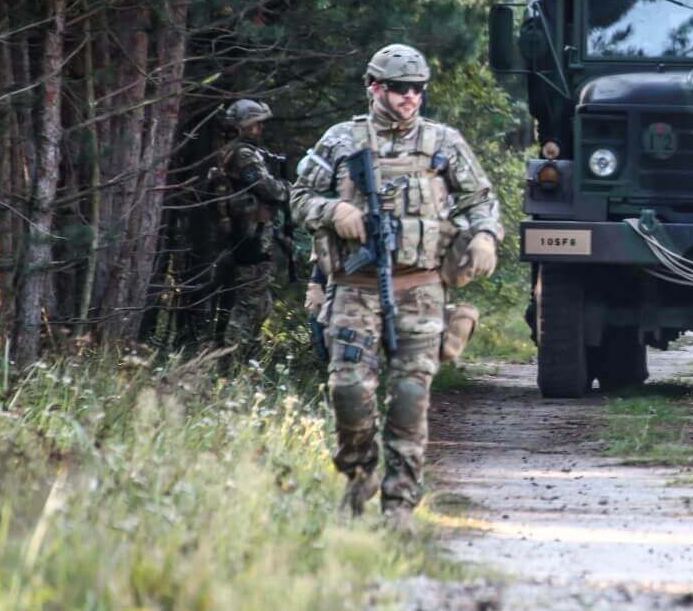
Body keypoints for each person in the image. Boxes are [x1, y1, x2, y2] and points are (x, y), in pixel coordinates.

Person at [291, 44, 503, 521]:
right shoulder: (341, 140)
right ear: (375, 88)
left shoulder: (444, 143)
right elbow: (299, 197)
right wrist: (334, 210)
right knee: (348, 390)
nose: (410, 96)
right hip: (354, 287)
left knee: (410, 397)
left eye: (418, 88)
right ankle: (358, 470)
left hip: (421, 288)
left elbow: (481, 201)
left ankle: (400, 506)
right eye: (399, 87)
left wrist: (485, 236)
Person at [211, 98, 290, 349]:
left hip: (250, 233)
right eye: (256, 124)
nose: (260, 129)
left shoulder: (236, 151)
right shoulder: (243, 154)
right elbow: (267, 188)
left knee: (259, 299)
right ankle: (230, 356)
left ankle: (247, 354)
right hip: (249, 235)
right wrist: (287, 189)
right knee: (248, 301)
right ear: (244, 126)